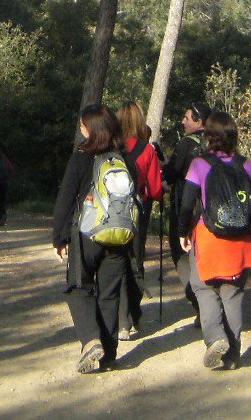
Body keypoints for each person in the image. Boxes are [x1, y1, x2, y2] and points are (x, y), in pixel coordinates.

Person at [178, 109, 251, 371]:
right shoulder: (246, 165)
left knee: (203, 288)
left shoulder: (199, 165)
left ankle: (216, 338)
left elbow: (187, 205)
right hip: (241, 241)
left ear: (209, 136)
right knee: (233, 295)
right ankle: (233, 355)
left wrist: (183, 232)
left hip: (210, 239)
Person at [53, 103, 136, 374]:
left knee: (79, 288)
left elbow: (65, 199)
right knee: (109, 294)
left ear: (90, 129)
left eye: (82, 124)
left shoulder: (80, 158)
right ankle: (109, 354)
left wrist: (59, 237)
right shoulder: (126, 160)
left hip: (87, 234)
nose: (80, 128)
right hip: (120, 236)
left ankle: (90, 341)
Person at [116, 101, 163, 340]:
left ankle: (120, 319)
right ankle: (134, 315)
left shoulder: (111, 146)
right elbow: (155, 190)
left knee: (117, 261)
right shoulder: (147, 150)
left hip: (112, 213)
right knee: (136, 261)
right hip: (139, 210)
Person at [161, 100, 209, 323]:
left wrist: (160, 164)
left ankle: (201, 304)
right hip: (210, 212)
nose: (183, 121)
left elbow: (170, 175)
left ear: (198, 121)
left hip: (185, 208)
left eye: (187, 118)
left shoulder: (185, 145)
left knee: (181, 255)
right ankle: (209, 307)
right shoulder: (214, 143)